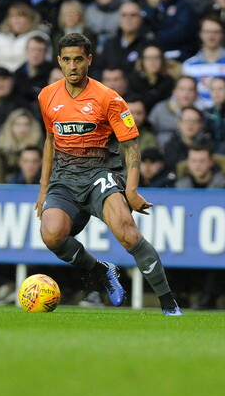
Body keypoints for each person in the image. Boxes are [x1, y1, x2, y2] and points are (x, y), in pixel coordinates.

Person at [35, 32, 182, 315]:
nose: (73, 66)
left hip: (99, 174)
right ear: (59, 62)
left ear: (89, 60)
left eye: (78, 59)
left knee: (127, 232)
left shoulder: (109, 98)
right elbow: (49, 141)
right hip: (64, 179)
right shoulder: (46, 96)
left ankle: (169, 303)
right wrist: (43, 190)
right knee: (51, 234)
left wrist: (131, 190)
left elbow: (132, 147)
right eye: (66, 60)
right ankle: (102, 271)